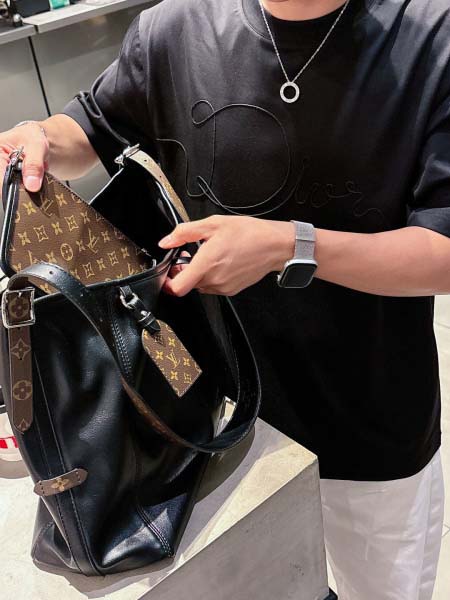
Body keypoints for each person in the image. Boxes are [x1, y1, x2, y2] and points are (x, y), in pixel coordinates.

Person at [1, 0, 449, 597]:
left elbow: (441, 249)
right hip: (210, 426)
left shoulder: (430, 36)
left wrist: (288, 246)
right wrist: (37, 140)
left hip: (370, 428)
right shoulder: (174, 28)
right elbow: (90, 131)